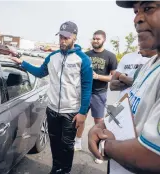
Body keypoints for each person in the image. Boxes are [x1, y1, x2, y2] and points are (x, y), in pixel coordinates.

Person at [10, 21, 93, 174]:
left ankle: (65, 171)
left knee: (67, 146)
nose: (62, 40)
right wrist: (23, 63)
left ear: (74, 37)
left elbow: (88, 88)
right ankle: (56, 169)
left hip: (71, 112)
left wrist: (82, 112)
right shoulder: (52, 57)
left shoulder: (83, 60)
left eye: (66, 37)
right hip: (52, 109)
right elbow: (40, 72)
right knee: (54, 143)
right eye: (61, 37)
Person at [88, 1, 160, 173]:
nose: (137, 19)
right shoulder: (151, 64)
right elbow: (132, 101)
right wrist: (102, 125)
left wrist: (104, 144)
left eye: (148, 8)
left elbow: (152, 156)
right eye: (136, 11)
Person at [74, 30, 118, 157]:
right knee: (80, 119)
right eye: (93, 38)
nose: (95, 40)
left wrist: (98, 76)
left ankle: (99, 149)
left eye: (98, 39)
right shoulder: (85, 55)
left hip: (99, 94)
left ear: (104, 40)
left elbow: (113, 77)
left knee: (99, 123)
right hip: (84, 92)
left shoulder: (110, 56)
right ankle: (77, 141)